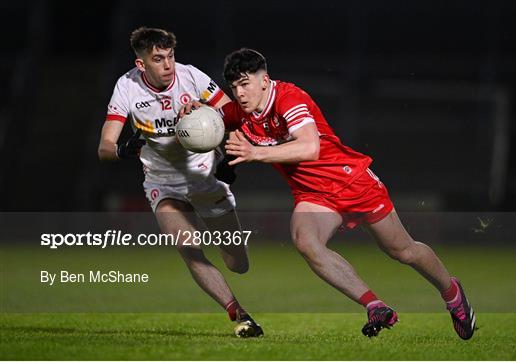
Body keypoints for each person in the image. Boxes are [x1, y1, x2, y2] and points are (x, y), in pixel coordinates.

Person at [218, 48, 476, 339]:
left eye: (245, 83)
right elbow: (208, 121)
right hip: (313, 195)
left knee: (403, 251)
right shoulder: (239, 112)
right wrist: (190, 115)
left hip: (351, 181)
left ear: (264, 80)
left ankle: (452, 293)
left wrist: (255, 152)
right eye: (234, 86)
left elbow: (309, 147)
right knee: (306, 241)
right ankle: (374, 305)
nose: (239, 93)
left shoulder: (289, 98)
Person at [97, 28, 263, 338]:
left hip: (205, 178)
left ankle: (231, 256)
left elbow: (234, 114)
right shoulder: (127, 87)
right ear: (141, 63)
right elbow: (104, 148)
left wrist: (218, 135)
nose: (167, 65)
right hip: (163, 185)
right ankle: (240, 314)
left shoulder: (191, 77)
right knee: (189, 247)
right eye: (158, 59)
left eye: (170, 56)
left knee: (237, 263)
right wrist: (121, 150)